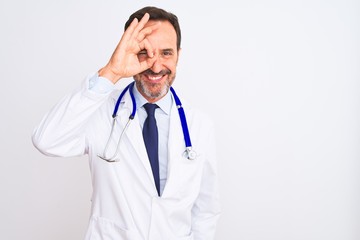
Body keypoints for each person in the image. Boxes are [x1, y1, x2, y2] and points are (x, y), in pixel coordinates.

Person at [32, 6, 221, 240]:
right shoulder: (99, 112)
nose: (156, 65)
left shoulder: (200, 125)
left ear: (178, 55)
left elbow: (205, 211)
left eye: (166, 53)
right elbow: (46, 140)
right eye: (144, 52)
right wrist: (111, 72)